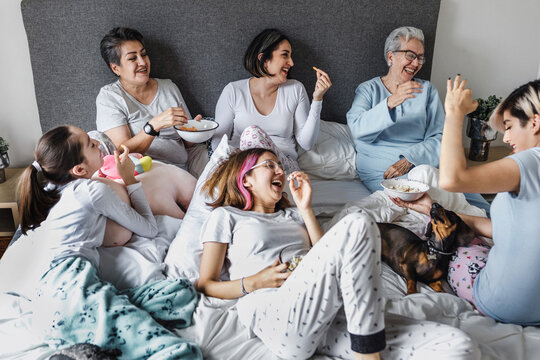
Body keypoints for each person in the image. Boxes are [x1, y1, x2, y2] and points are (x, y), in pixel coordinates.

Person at [18, 125, 202, 359]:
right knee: (174, 351)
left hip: (43, 299)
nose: (97, 143)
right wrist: (129, 178)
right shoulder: (93, 191)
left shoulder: (54, 190)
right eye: (90, 144)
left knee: (178, 295)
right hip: (72, 288)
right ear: (79, 169)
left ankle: (78, 348)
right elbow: (149, 229)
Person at [392, 77, 540, 325]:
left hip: (501, 305)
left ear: (535, 122)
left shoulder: (531, 161)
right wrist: (434, 210)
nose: (505, 138)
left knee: (450, 244)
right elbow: (506, 230)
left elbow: (451, 179)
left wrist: (454, 113)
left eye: (510, 126)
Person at [346, 26, 490, 214]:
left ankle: (480, 223)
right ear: (391, 57)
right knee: (438, 202)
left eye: (420, 57)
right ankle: (465, 222)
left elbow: (440, 137)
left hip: (424, 165)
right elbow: (356, 128)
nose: (416, 63)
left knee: (477, 202)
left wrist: (410, 159)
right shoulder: (368, 90)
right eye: (410, 55)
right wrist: (390, 102)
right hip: (383, 171)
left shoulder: (427, 90)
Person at [211, 28, 332, 172]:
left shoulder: (295, 89)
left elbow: (307, 144)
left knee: (252, 134)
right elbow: (218, 142)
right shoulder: (233, 91)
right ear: (264, 59)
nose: (292, 63)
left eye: (291, 56)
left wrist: (317, 100)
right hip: (244, 168)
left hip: (282, 167)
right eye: (285, 55)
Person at [96, 27, 204, 176]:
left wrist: (194, 131)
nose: (143, 62)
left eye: (144, 55)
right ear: (116, 68)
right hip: (146, 172)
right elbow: (121, 151)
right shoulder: (110, 97)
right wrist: (154, 126)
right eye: (133, 58)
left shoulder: (168, 87)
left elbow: (188, 144)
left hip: (184, 166)